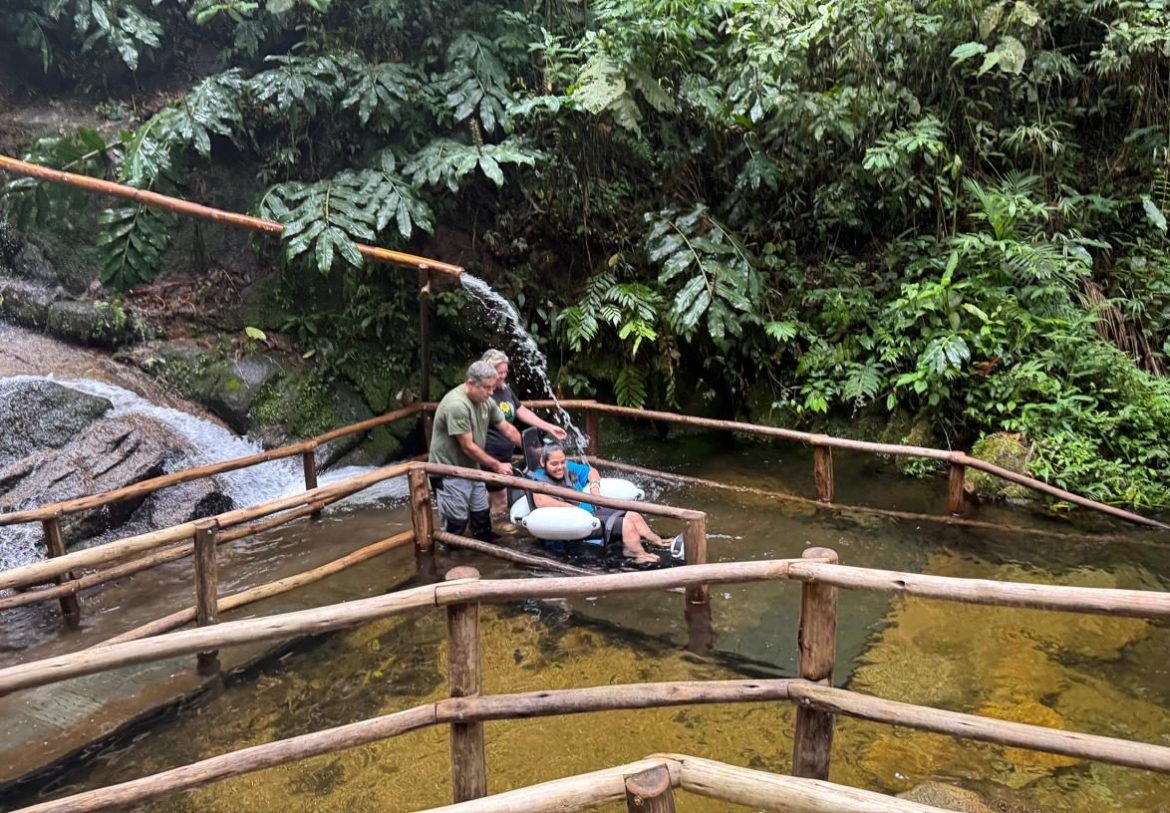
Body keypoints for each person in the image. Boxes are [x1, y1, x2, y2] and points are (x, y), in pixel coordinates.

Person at [428, 360, 522, 541]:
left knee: (482, 519)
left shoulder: (486, 400)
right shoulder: (457, 405)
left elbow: (507, 429)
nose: (491, 392)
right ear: (471, 383)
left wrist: (530, 451)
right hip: (449, 471)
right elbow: (468, 446)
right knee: (457, 523)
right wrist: (497, 465)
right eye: (487, 388)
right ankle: (449, 560)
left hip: (472, 469)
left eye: (493, 387)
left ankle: (482, 557)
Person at [530, 444, 667, 565]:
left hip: (589, 509)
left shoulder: (568, 468)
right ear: (543, 463)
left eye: (562, 462)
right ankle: (638, 555)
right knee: (626, 525)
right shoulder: (538, 479)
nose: (560, 467)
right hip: (576, 521)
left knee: (633, 515)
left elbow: (592, 472)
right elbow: (541, 501)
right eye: (554, 464)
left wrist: (594, 490)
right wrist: (574, 509)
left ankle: (656, 541)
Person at [479, 348, 568, 520]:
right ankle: (496, 534)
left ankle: (483, 520)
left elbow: (522, 412)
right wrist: (530, 449)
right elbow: (507, 429)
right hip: (490, 455)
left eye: (505, 371)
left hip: (505, 455)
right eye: (499, 372)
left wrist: (548, 426)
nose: (503, 376)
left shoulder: (505, 389)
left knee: (492, 493)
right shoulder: (484, 395)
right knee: (501, 499)